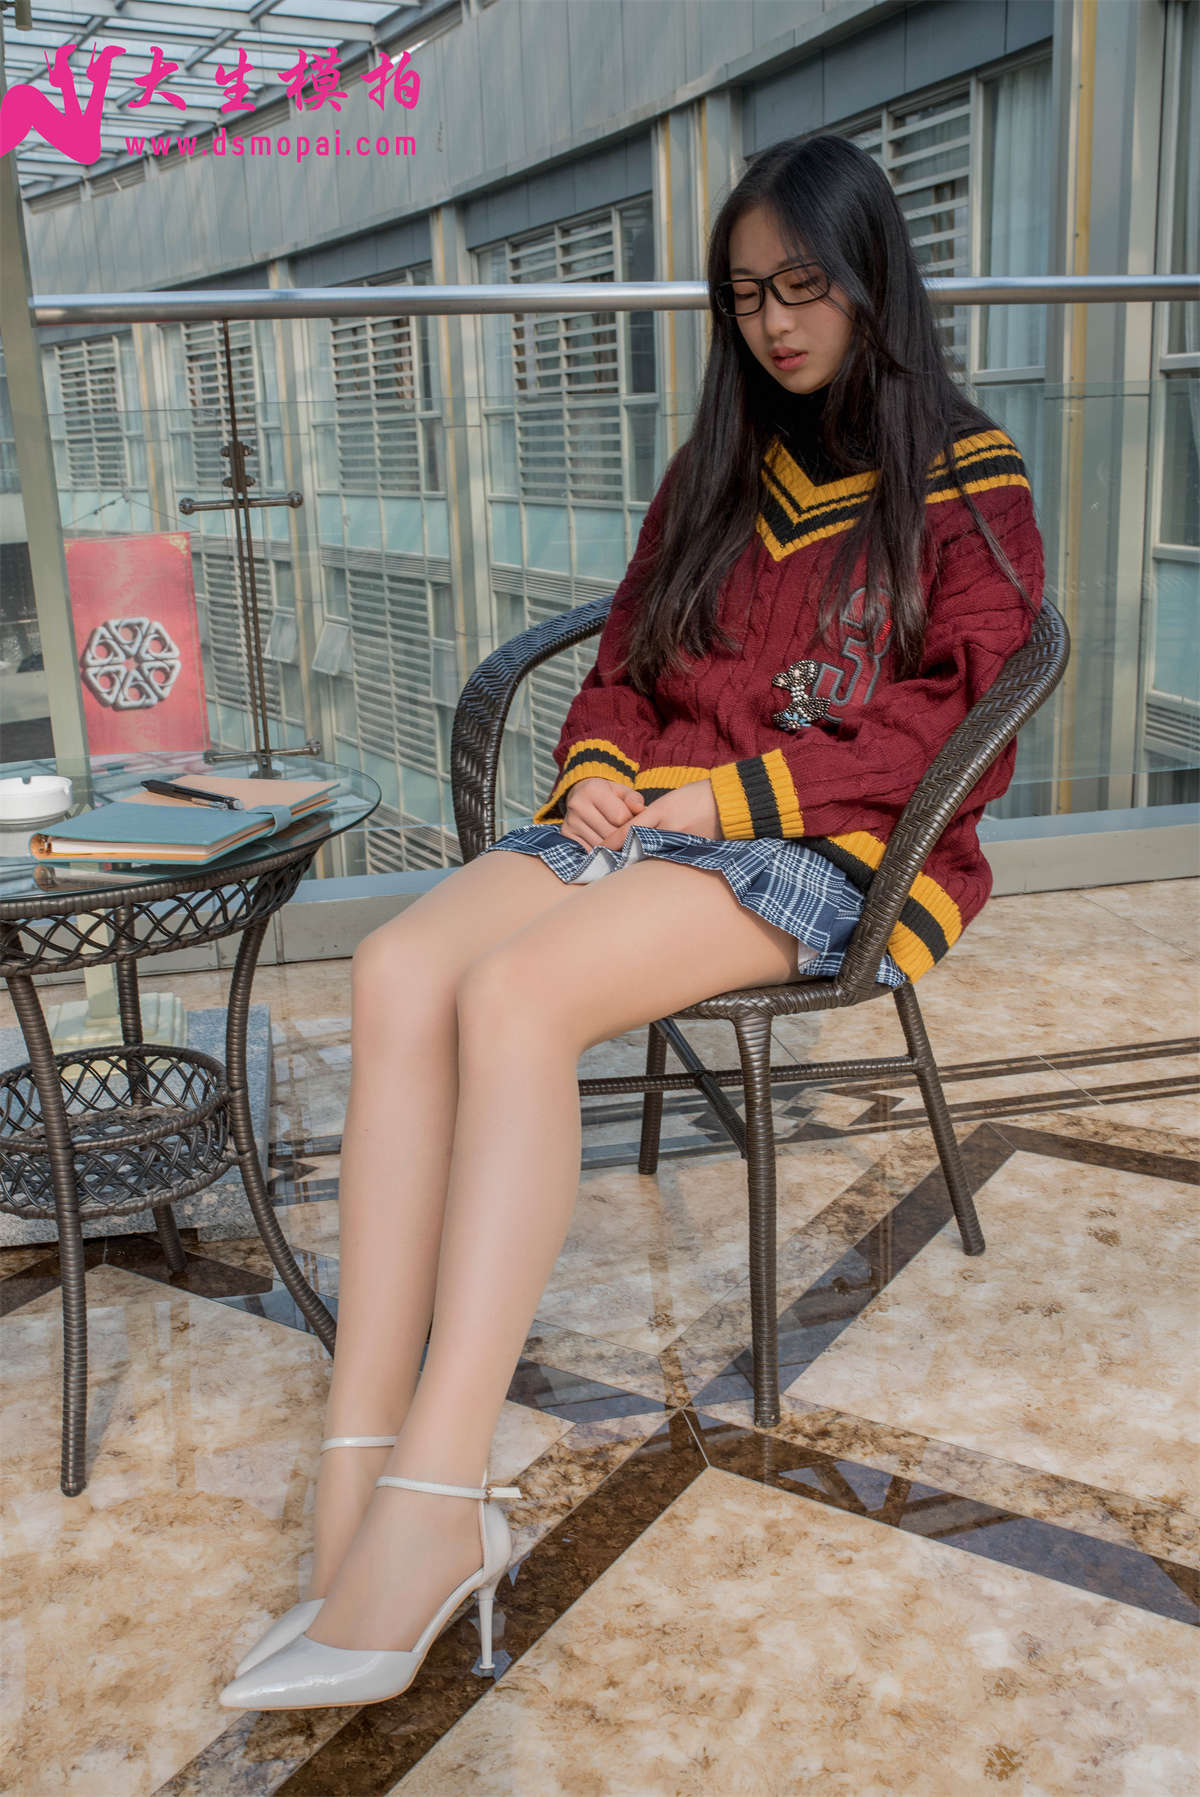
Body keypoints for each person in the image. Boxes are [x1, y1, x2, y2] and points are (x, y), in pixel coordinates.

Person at [220, 131, 1045, 1711]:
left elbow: (957, 718)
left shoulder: (965, 472)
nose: (775, 323)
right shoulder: (717, 469)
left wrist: (727, 799)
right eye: (746, 296)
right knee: (398, 967)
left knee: (515, 1001)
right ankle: (358, 1460)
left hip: (819, 844)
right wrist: (602, 771)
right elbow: (622, 666)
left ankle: (439, 1490)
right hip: (652, 815)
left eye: (803, 286)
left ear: (873, 278)